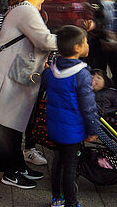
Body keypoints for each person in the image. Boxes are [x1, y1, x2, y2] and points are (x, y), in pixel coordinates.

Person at [0, 0, 57, 189]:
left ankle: (18, 166)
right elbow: (45, 40)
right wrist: (72, 40)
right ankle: (11, 172)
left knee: (12, 125)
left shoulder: (21, 9)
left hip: (11, 73)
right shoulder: (27, 11)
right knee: (8, 126)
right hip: (8, 76)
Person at [42, 25, 100, 207]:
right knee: (70, 167)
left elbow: (44, 83)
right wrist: (93, 129)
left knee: (58, 163)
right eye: (85, 42)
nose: (88, 45)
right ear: (77, 48)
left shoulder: (52, 69)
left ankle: (57, 199)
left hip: (55, 126)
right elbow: (88, 107)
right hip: (72, 130)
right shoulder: (82, 74)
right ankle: (71, 203)